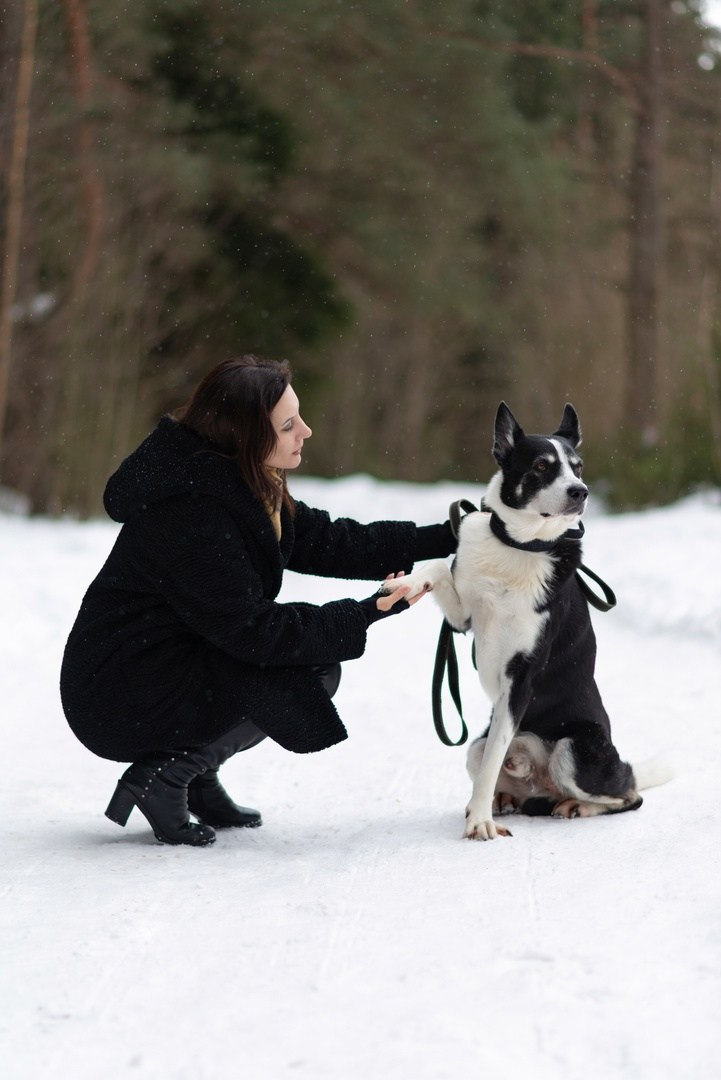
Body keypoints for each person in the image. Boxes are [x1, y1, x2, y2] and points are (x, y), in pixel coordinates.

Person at [60, 355, 456, 847]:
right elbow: (256, 632)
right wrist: (364, 612)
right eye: (289, 425)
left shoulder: (236, 479)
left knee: (289, 664)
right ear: (245, 435)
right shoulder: (194, 511)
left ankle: (197, 776)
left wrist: (448, 535)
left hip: (164, 661)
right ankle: (166, 774)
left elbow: (327, 540)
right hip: (121, 689)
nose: (305, 432)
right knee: (306, 670)